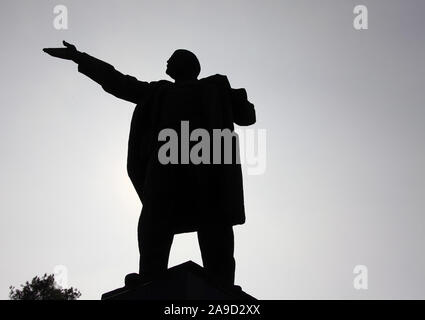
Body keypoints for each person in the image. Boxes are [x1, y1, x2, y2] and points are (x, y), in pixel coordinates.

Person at [43, 41, 256, 287]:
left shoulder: (215, 87)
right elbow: (119, 82)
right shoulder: (157, 92)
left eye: (172, 58)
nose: (167, 61)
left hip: (206, 163)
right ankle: (150, 277)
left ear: (187, 65)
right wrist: (80, 58)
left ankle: (221, 283)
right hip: (165, 167)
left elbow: (247, 117)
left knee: (214, 223)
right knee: (155, 222)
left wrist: (236, 99)